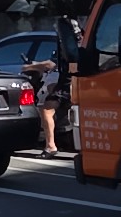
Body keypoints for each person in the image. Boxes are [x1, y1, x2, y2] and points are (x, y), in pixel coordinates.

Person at [23, 19, 82, 158]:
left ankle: (50, 146)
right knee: (51, 93)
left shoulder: (69, 45)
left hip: (69, 83)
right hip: (72, 82)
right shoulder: (78, 44)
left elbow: (51, 64)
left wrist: (29, 67)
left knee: (47, 110)